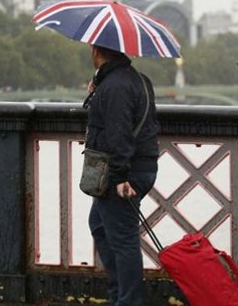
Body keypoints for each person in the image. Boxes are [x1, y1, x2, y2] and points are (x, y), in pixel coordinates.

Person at [84, 44, 159, 306]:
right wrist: (96, 93)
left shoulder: (115, 86)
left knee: (123, 240)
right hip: (139, 166)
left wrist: (119, 177)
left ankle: (128, 301)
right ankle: (120, 295)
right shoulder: (136, 80)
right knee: (100, 226)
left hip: (123, 173)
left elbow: (119, 133)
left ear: (96, 51)